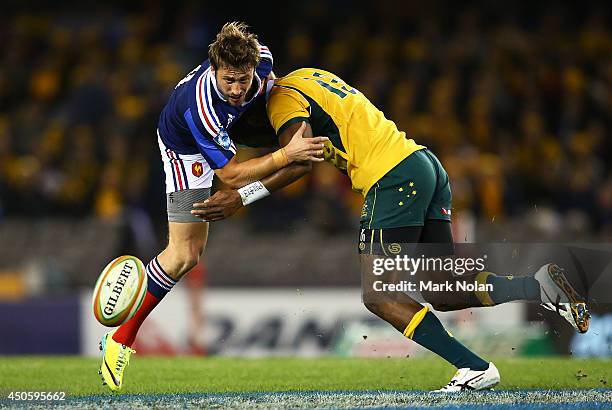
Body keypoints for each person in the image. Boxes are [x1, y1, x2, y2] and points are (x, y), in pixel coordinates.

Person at [192, 68, 590, 392]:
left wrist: (241, 196)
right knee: (442, 291)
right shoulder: (307, 77)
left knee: (380, 296)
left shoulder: (281, 102)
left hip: (392, 178)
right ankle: (537, 287)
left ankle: (474, 367)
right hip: (423, 164)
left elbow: (298, 160)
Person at [98, 24, 328, 391]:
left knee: (192, 254)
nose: (237, 89)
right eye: (229, 81)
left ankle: (122, 334)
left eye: (243, 79)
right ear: (214, 69)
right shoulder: (199, 106)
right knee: (183, 254)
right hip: (186, 149)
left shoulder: (263, 61)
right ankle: (120, 338)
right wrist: (286, 153)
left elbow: (270, 88)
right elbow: (233, 175)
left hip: (226, 134)